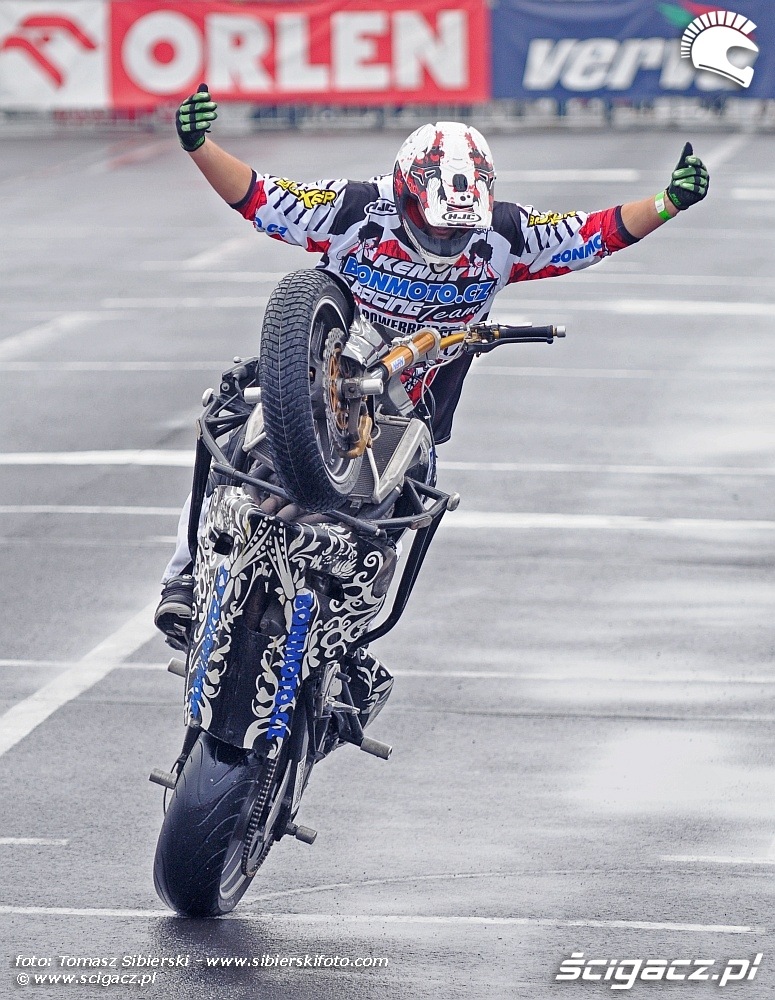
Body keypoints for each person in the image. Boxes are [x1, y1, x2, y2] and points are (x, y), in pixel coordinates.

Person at [155, 84, 709, 726]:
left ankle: (348, 649)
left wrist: (668, 202)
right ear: (404, 192)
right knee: (227, 421)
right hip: (319, 388)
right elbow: (260, 197)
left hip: (408, 417)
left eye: (458, 234)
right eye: (432, 228)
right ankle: (183, 577)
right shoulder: (355, 210)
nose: (445, 245)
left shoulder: (506, 234)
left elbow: (592, 234)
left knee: (407, 512)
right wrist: (199, 145)